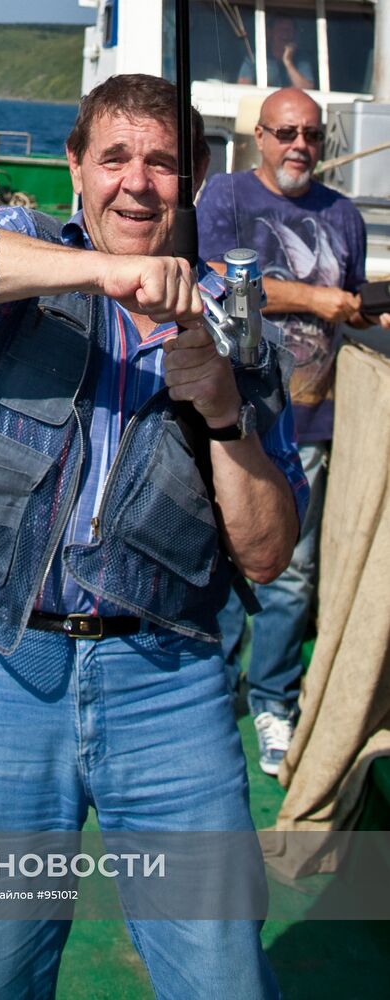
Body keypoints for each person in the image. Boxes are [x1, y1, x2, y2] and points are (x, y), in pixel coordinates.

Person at [0, 74, 309, 998]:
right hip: (7, 669)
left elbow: (268, 554)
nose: (135, 183)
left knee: (221, 975)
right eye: (112, 156)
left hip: (170, 684)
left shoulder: (239, 335)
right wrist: (107, 274)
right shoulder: (28, 256)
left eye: (160, 162)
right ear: (74, 168)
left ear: (193, 177)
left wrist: (225, 411)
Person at [197, 87, 390, 776]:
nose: (299, 146)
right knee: (219, 566)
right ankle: (212, 699)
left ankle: (272, 697)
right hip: (230, 420)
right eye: (285, 133)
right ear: (259, 135)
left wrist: (361, 312)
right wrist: (315, 297)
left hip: (311, 423)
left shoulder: (342, 215)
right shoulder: (223, 198)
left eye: (310, 134)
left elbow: (342, 305)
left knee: (289, 576)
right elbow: (214, 277)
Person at [238, 15, 315, 90]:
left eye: (289, 30)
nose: (285, 34)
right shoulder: (255, 58)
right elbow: (243, 88)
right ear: (270, 33)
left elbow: (307, 89)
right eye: (280, 29)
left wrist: (288, 62)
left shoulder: (301, 59)